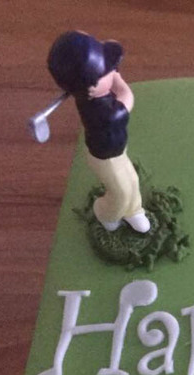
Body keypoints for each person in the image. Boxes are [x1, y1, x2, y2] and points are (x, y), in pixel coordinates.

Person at [47, 31, 150, 234]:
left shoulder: (91, 94)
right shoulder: (102, 112)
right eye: (107, 70)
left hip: (118, 150)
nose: (113, 70)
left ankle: (134, 211)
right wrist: (118, 78)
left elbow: (110, 44)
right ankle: (105, 213)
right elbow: (127, 96)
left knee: (132, 180)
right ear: (92, 88)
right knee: (120, 193)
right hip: (105, 158)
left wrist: (109, 68)